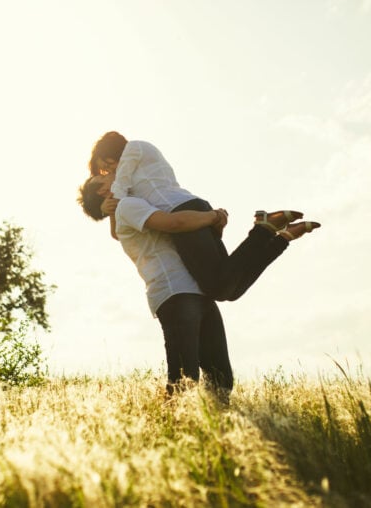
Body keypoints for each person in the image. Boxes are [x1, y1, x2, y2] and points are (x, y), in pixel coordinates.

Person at [87, 131, 320, 301]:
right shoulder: (133, 174)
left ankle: (263, 229)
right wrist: (111, 208)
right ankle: (278, 235)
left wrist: (110, 204)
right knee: (229, 288)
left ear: (112, 152)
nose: (110, 171)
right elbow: (118, 232)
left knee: (218, 286)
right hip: (192, 209)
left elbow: (119, 193)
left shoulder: (135, 149)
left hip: (183, 214)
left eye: (107, 166)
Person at [78, 172, 235, 398]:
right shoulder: (128, 207)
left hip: (196, 291)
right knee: (184, 380)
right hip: (177, 294)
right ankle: (173, 429)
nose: (115, 173)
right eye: (105, 176)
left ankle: (218, 430)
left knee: (221, 378)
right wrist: (213, 216)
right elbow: (176, 222)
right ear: (104, 191)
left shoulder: (130, 205)